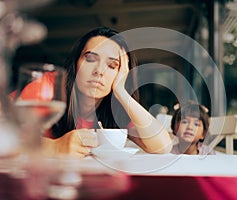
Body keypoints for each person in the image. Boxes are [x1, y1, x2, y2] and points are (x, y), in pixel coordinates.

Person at [32, 26, 173, 157]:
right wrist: (55, 147)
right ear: (75, 64)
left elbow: (163, 147)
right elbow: (10, 134)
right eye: (90, 59)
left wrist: (121, 92)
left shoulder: (116, 109)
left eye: (112, 65)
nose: (99, 71)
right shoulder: (49, 86)